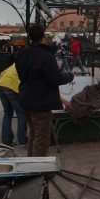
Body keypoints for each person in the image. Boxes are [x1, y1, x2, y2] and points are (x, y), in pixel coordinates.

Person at [16, 24, 74, 157]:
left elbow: (21, 75)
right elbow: (55, 78)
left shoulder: (22, 54)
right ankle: (37, 169)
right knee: (41, 138)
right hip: (40, 103)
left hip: (25, 100)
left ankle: (30, 164)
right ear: (44, 37)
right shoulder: (46, 56)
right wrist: (69, 76)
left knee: (34, 134)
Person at [0, 55, 27, 146]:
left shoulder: (14, 65)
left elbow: (2, 73)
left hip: (1, 85)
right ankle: (22, 140)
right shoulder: (27, 65)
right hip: (11, 87)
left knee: (7, 114)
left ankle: (6, 141)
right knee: (21, 114)